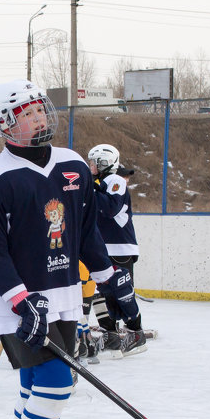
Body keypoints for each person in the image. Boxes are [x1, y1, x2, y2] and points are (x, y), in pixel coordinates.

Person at [0, 80, 142, 419]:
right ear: (6, 125)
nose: (39, 118)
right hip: (16, 301)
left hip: (63, 295)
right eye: (27, 113)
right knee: (56, 381)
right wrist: (20, 299)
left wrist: (111, 280)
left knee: (34, 385)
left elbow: (85, 232)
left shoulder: (73, 166)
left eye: (40, 110)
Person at [86, 143, 148, 356]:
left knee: (121, 291)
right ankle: (110, 334)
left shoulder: (115, 180)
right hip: (102, 246)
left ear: (104, 163)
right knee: (102, 292)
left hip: (119, 245)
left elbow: (110, 208)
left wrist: (90, 187)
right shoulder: (99, 182)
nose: (90, 166)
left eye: (93, 163)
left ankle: (135, 333)